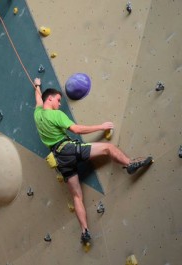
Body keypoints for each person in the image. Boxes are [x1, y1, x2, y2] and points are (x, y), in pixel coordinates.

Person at [32, 77, 152, 244]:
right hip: (68, 149)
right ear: (50, 99)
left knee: (76, 196)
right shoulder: (56, 115)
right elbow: (77, 129)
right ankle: (130, 164)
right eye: (58, 100)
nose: (60, 104)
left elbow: (39, 99)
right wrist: (101, 126)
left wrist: (37, 85)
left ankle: (85, 230)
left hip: (60, 160)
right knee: (108, 148)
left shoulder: (37, 115)